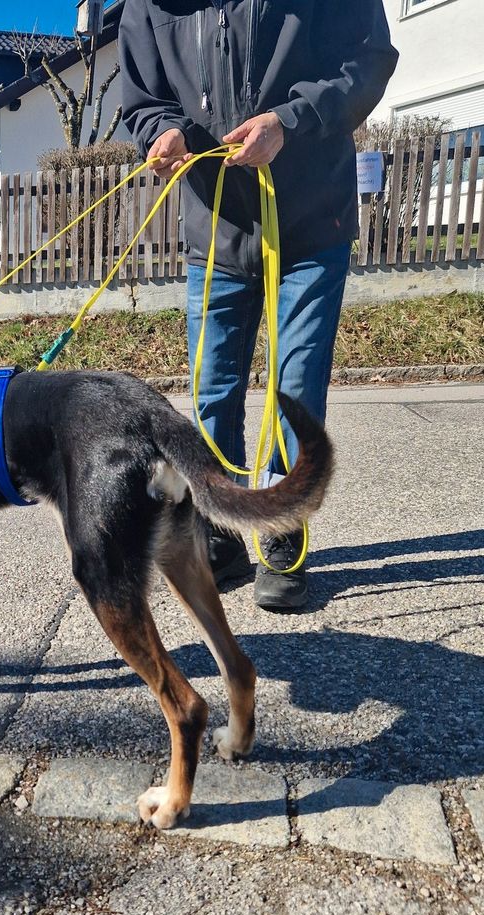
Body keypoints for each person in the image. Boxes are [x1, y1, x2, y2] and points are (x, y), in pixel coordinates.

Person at [119, 0, 398, 610]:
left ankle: (280, 530)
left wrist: (291, 121)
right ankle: (220, 534)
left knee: (293, 386)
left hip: (311, 222)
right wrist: (160, 132)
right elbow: (140, 99)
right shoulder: (147, 5)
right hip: (214, 228)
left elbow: (370, 58)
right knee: (213, 390)